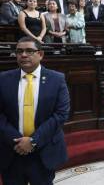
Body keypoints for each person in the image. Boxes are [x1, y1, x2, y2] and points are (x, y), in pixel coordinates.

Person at [0, 36, 70, 184]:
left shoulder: (57, 79)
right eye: (19, 51)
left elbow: (61, 114)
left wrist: (33, 141)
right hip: (11, 151)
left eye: (29, 51)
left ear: (41, 54)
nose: (24, 55)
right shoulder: (3, 79)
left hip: (43, 151)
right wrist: (17, 141)